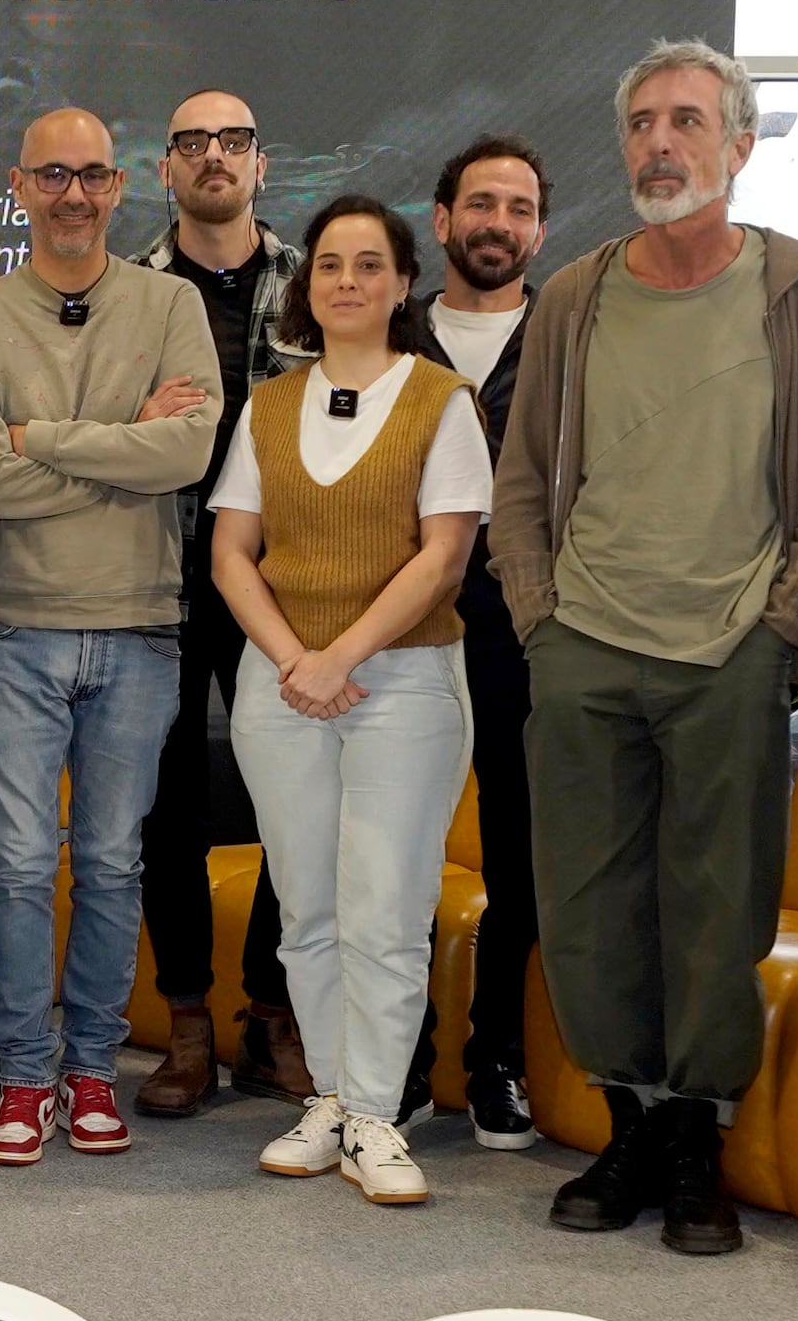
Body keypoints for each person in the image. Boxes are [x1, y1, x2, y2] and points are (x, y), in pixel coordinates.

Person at [493, 41, 798, 1258]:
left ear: (740, 146)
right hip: (583, 646)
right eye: (643, 123)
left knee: (717, 907)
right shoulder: (575, 296)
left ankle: (697, 1140)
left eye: (688, 122)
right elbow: (519, 485)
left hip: (729, 650)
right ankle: (626, 1128)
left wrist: (782, 628)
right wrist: (538, 621)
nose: (662, 144)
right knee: (589, 906)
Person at [0, 106, 221, 1167]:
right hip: (11, 628)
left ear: (118, 189)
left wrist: (40, 439)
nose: (72, 193)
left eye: (92, 176)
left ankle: (92, 1068)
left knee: (108, 865)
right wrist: (120, 440)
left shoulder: (169, 303)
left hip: (140, 628)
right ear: (18, 186)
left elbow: (185, 453)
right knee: (17, 866)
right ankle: (22, 1080)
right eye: (51, 175)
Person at [207, 194, 486, 1210]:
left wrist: (340, 658)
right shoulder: (269, 408)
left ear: (403, 284)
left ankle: (376, 1111)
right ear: (304, 285)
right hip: (280, 682)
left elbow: (442, 559)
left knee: (385, 906)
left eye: (370, 265)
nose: (347, 282)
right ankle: (327, 1097)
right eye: (329, 264)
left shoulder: (441, 401)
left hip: (401, 683)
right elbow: (231, 552)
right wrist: (293, 658)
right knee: (307, 909)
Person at [129, 87, 303, 1116]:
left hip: (283, 580)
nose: (210, 158)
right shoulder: (130, 291)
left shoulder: (308, 283)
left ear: (257, 161)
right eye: (188, 141)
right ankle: (185, 1020)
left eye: (229, 140)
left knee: (292, 797)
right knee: (165, 809)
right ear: (165, 170)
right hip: (155, 571)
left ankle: (270, 1010)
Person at [414, 133, 551, 1148]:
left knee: (519, 855)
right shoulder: (383, 337)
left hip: (526, 628)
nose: (496, 222)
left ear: (538, 230)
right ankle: (399, 1059)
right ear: (441, 220)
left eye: (517, 207)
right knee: (396, 851)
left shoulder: (569, 341)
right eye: (479, 203)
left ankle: (495, 1056)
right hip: (399, 627)